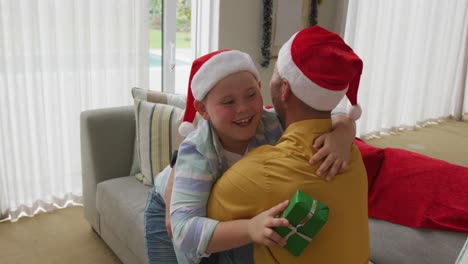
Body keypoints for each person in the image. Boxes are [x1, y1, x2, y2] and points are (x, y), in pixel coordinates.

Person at [144, 49, 357, 264]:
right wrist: (249, 228)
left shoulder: (272, 121)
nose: (243, 109)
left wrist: (342, 133)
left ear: (260, 88)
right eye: (228, 102)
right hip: (167, 206)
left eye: (251, 95)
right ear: (203, 109)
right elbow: (182, 231)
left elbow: (329, 113)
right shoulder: (198, 151)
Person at [207, 25, 370, 264]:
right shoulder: (351, 153)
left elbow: (200, 224)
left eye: (273, 74)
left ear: (284, 88)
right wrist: (346, 127)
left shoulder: (260, 171)